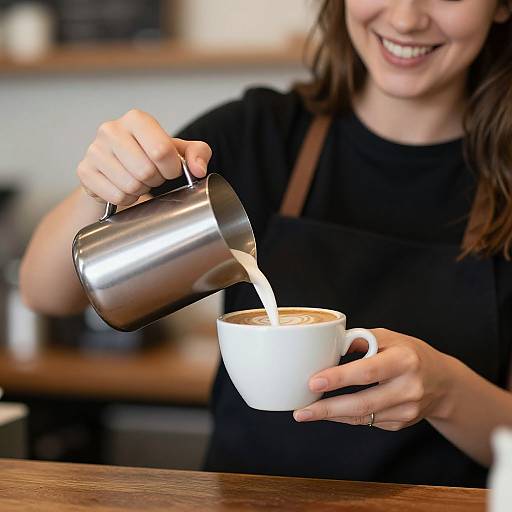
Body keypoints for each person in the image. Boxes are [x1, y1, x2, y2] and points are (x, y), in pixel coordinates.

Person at [20, 0, 512, 487]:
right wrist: (100, 189)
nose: (406, 17)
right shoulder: (258, 134)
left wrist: (446, 392)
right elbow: (48, 292)